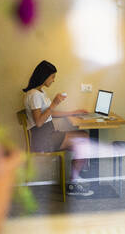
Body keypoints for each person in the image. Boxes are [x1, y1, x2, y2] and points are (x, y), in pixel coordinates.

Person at [23, 60, 94, 196]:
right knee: (84, 139)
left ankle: (75, 178)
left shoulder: (39, 92)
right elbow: (39, 122)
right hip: (44, 140)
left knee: (84, 135)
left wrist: (73, 112)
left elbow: (49, 114)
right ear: (44, 76)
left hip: (48, 135)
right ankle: (73, 183)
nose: (54, 80)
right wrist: (54, 104)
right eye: (52, 77)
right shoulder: (34, 95)